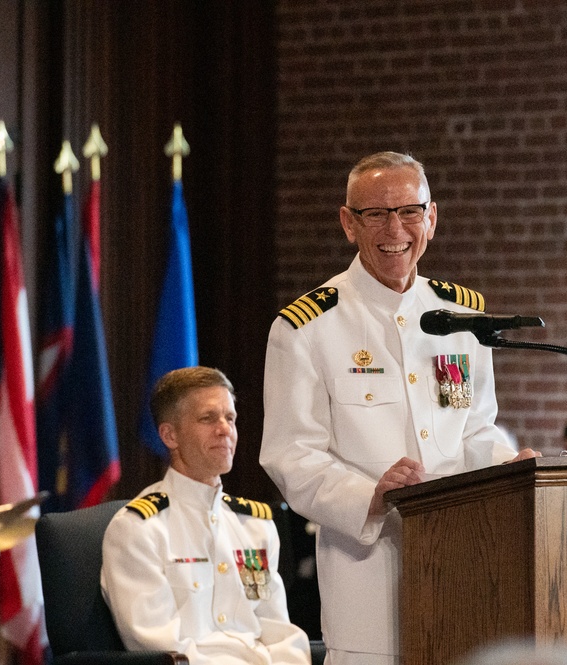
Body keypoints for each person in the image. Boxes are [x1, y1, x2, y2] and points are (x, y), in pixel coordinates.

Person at [259, 151, 539, 665]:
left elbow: (476, 432)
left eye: (410, 211)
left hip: (466, 567)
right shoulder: (307, 327)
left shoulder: (463, 318)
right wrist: (371, 494)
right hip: (368, 576)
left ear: (432, 217)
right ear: (349, 223)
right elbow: (289, 455)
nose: (396, 229)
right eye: (376, 214)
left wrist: (507, 470)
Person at [101, 366, 311, 665]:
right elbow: (160, 647)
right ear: (170, 435)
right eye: (207, 418)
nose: (225, 429)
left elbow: (278, 630)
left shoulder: (255, 526)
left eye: (230, 418)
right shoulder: (139, 528)